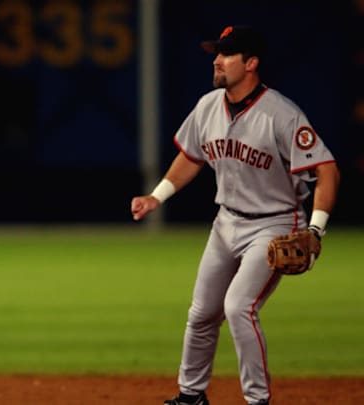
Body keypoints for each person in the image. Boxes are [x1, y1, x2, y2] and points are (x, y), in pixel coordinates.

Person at [131, 25, 340, 405]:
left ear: (251, 63)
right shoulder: (208, 106)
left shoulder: (281, 113)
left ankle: (257, 400)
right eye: (217, 52)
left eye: (227, 54)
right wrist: (156, 196)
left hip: (274, 223)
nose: (217, 59)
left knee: (238, 307)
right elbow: (191, 155)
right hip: (226, 222)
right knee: (202, 313)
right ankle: (191, 395)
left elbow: (327, 170)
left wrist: (315, 229)